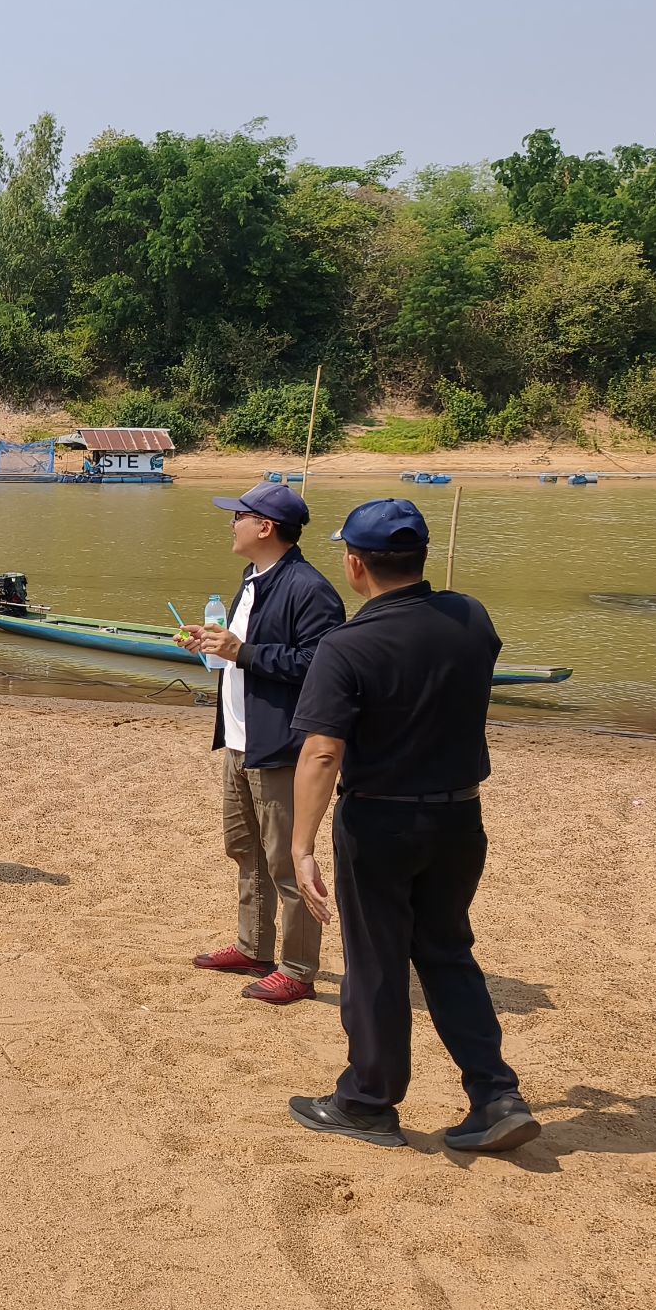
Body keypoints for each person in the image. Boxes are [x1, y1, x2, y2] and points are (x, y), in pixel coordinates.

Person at [284, 499, 541, 1155]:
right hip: (459, 815)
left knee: (375, 964)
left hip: (381, 818)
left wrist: (300, 845)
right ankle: (496, 1093)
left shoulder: (347, 644)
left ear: (355, 564)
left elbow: (322, 752)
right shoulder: (472, 618)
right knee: (447, 950)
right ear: (422, 556)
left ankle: (368, 1101)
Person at [180, 482, 347, 1005]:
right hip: (239, 740)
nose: (231, 524)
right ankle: (254, 947)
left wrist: (244, 652)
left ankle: (297, 969)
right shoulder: (251, 578)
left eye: (239, 516)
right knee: (245, 849)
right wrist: (215, 645)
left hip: (280, 746)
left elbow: (322, 665)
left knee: (286, 860)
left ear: (265, 527)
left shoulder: (309, 589)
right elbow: (244, 651)